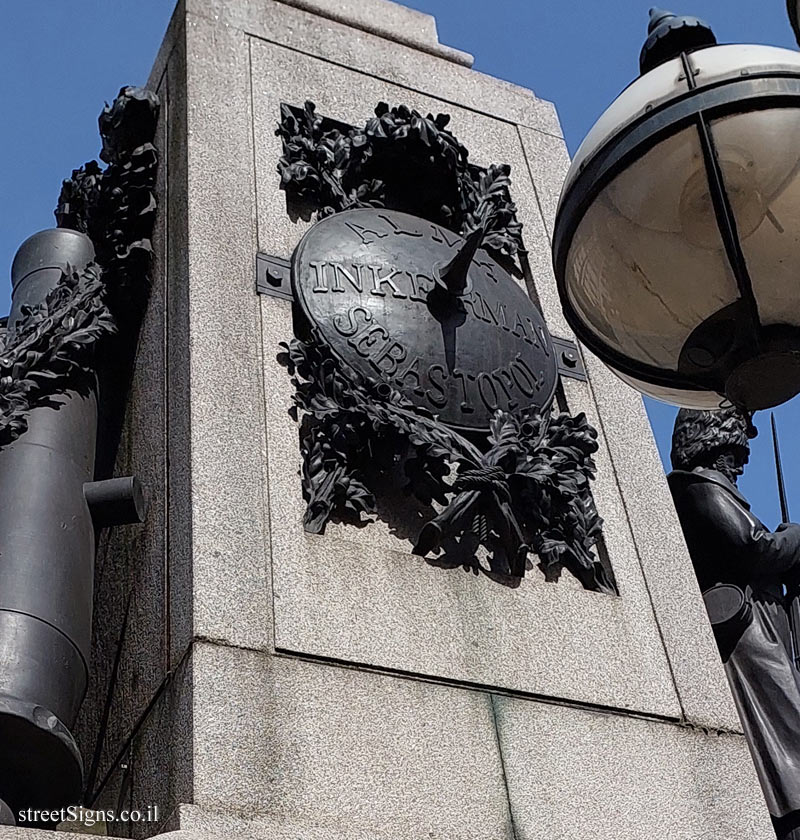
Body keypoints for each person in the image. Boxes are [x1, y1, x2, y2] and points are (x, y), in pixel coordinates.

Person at [668, 408, 800, 840]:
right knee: (788, 724)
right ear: (712, 443)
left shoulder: (716, 489)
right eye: (735, 452)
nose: (741, 463)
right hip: (750, 637)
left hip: (768, 625)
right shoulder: (700, 489)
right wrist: (795, 537)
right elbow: (754, 548)